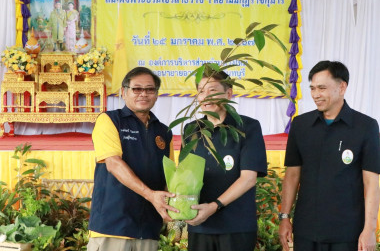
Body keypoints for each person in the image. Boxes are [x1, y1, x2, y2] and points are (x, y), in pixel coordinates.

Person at [279, 61, 380, 251]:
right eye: (313, 88)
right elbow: (292, 176)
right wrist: (285, 218)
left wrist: (369, 229)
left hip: (347, 232)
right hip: (306, 231)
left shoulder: (366, 127)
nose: (316, 94)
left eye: (322, 88)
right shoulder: (300, 125)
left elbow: (371, 183)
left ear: (342, 87)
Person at [87, 67, 178, 251]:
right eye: (137, 89)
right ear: (123, 92)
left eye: (149, 89)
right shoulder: (110, 120)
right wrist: (151, 195)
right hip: (112, 226)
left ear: (156, 94)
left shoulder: (164, 131)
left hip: (148, 229)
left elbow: (169, 176)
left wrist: (178, 209)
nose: (143, 94)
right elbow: (113, 164)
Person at [184, 70, 267, 251]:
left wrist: (214, 206)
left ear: (228, 94)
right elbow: (186, 177)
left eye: (212, 90)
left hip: (236, 226)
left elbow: (248, 179)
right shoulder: (191, 130)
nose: (206, 97)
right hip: (200, 225)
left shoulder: (247, 127)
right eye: (201, 91)